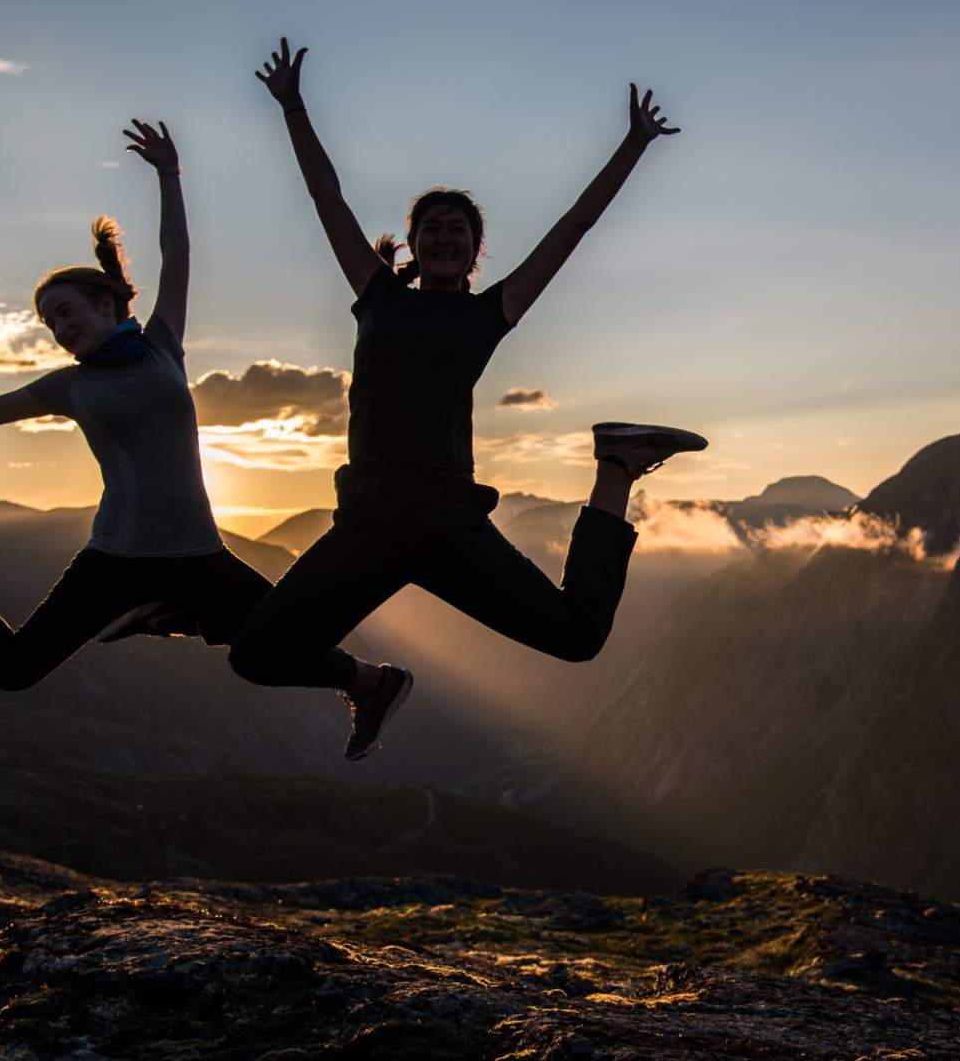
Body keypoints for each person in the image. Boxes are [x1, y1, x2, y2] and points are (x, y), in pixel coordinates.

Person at [228, 37, 707, 760]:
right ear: (413, 246)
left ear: (475, 251)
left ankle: (616, 466)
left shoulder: (489, 313)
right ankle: (372, 684)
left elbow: (574, 226)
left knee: (577, 637)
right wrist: (294, 107)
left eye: (460, 229)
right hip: (366, 525)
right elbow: (325, 195)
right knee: (256, 655)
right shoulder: (376, 294)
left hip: (449, 527)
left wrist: (633, 144)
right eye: (432, 228)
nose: (445, 235)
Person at [0, 120, 294, 691]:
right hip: (116, 558)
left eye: (66, 312)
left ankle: (190, 616)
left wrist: (169, 175)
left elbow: (177, 253)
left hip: (199, 553)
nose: (59, 328)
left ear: (107, 303)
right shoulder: (69, 386)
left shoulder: (160, 348)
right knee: (13, 668)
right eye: (50, 322)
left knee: (289, 637)